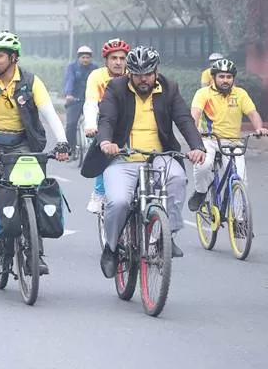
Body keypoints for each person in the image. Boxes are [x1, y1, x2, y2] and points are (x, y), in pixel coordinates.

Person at [81, 45, 206, 278]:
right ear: (129, 72)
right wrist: (106, 141)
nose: (143, 79)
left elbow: (184, 120)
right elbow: (106, 118)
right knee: (118, 202)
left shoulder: (169, 88)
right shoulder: (116, 88)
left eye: (147, 74)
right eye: (137, 74)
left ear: (155, 72)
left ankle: (167, 237)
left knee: (178, 179)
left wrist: (197, 147)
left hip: (159, 157)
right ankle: (110, 248)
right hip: (122, 158)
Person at [0, 31, 70, 273]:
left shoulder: (31, 82)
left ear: (13, 58)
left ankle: (36, 253)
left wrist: (62, 142)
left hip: (21, 141)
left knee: (34, 187)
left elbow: (49, 113)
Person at [188, 58, 268, 211]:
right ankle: (200, 192)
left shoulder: (240, 94)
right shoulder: (203, 93)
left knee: (240, 180)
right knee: (203, 165)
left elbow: (252, 113)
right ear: (214, 77)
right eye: (221, 76)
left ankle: (239, 220)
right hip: (208, 139)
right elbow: (195, 114)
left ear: (233, 78)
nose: (225, 80)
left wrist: (259, 128)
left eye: (229, 77)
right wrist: (194, 130)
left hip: (233, 142)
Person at [82, 38, 130, 213]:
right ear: (106, 60)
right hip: (103, 124)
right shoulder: (96, 76)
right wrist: (90, 125)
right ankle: (99, 193)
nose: (118, 62)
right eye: (114, 58)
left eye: (122, 58)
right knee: (104, 157)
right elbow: (91, 102)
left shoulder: (132, 74)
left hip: (127, 124)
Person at [64, 45, 97, 157]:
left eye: (87, 57)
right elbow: (69, 81)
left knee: (98, 123)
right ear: (78, 58)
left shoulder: (95, 69)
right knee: (71, 124)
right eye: (83, 57)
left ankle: (96, 149)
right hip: (75, 99)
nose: (85, 60)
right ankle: (71, 149)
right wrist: (69, 94)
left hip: (91, 99)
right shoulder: (72, 68)